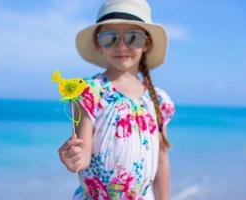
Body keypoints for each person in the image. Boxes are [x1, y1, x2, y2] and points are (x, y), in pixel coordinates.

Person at [58, 0, 175, 199]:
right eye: (110, 37)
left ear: (146, 43)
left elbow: (161, 161)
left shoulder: (159, 100)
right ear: (98, 42)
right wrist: (73, 158)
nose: (121, 45)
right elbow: (84, 155)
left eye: (133, 37)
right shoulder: (87, 92)